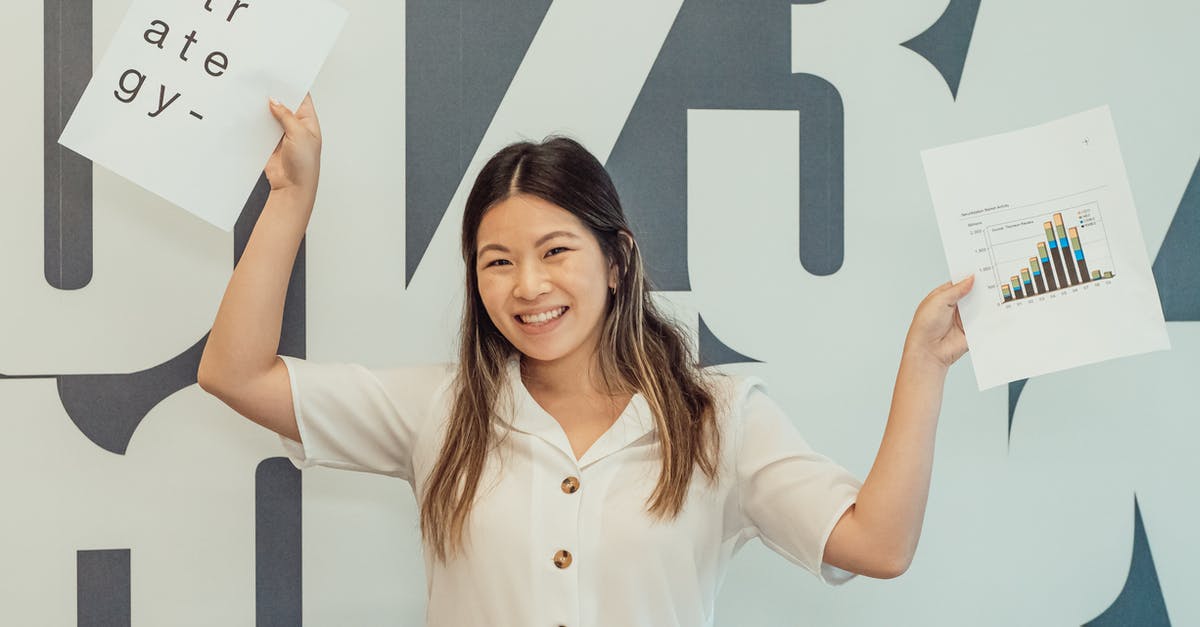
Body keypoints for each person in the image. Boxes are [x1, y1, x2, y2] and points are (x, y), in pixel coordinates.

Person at [197, 93, 976, 626]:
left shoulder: (719, 418)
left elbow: (877, 544)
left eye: (555, 250)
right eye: (496, 261)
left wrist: (925, 363)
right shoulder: (439, 409)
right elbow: (235, 372)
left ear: (617, 259)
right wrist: (293, 196)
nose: (527, 286)